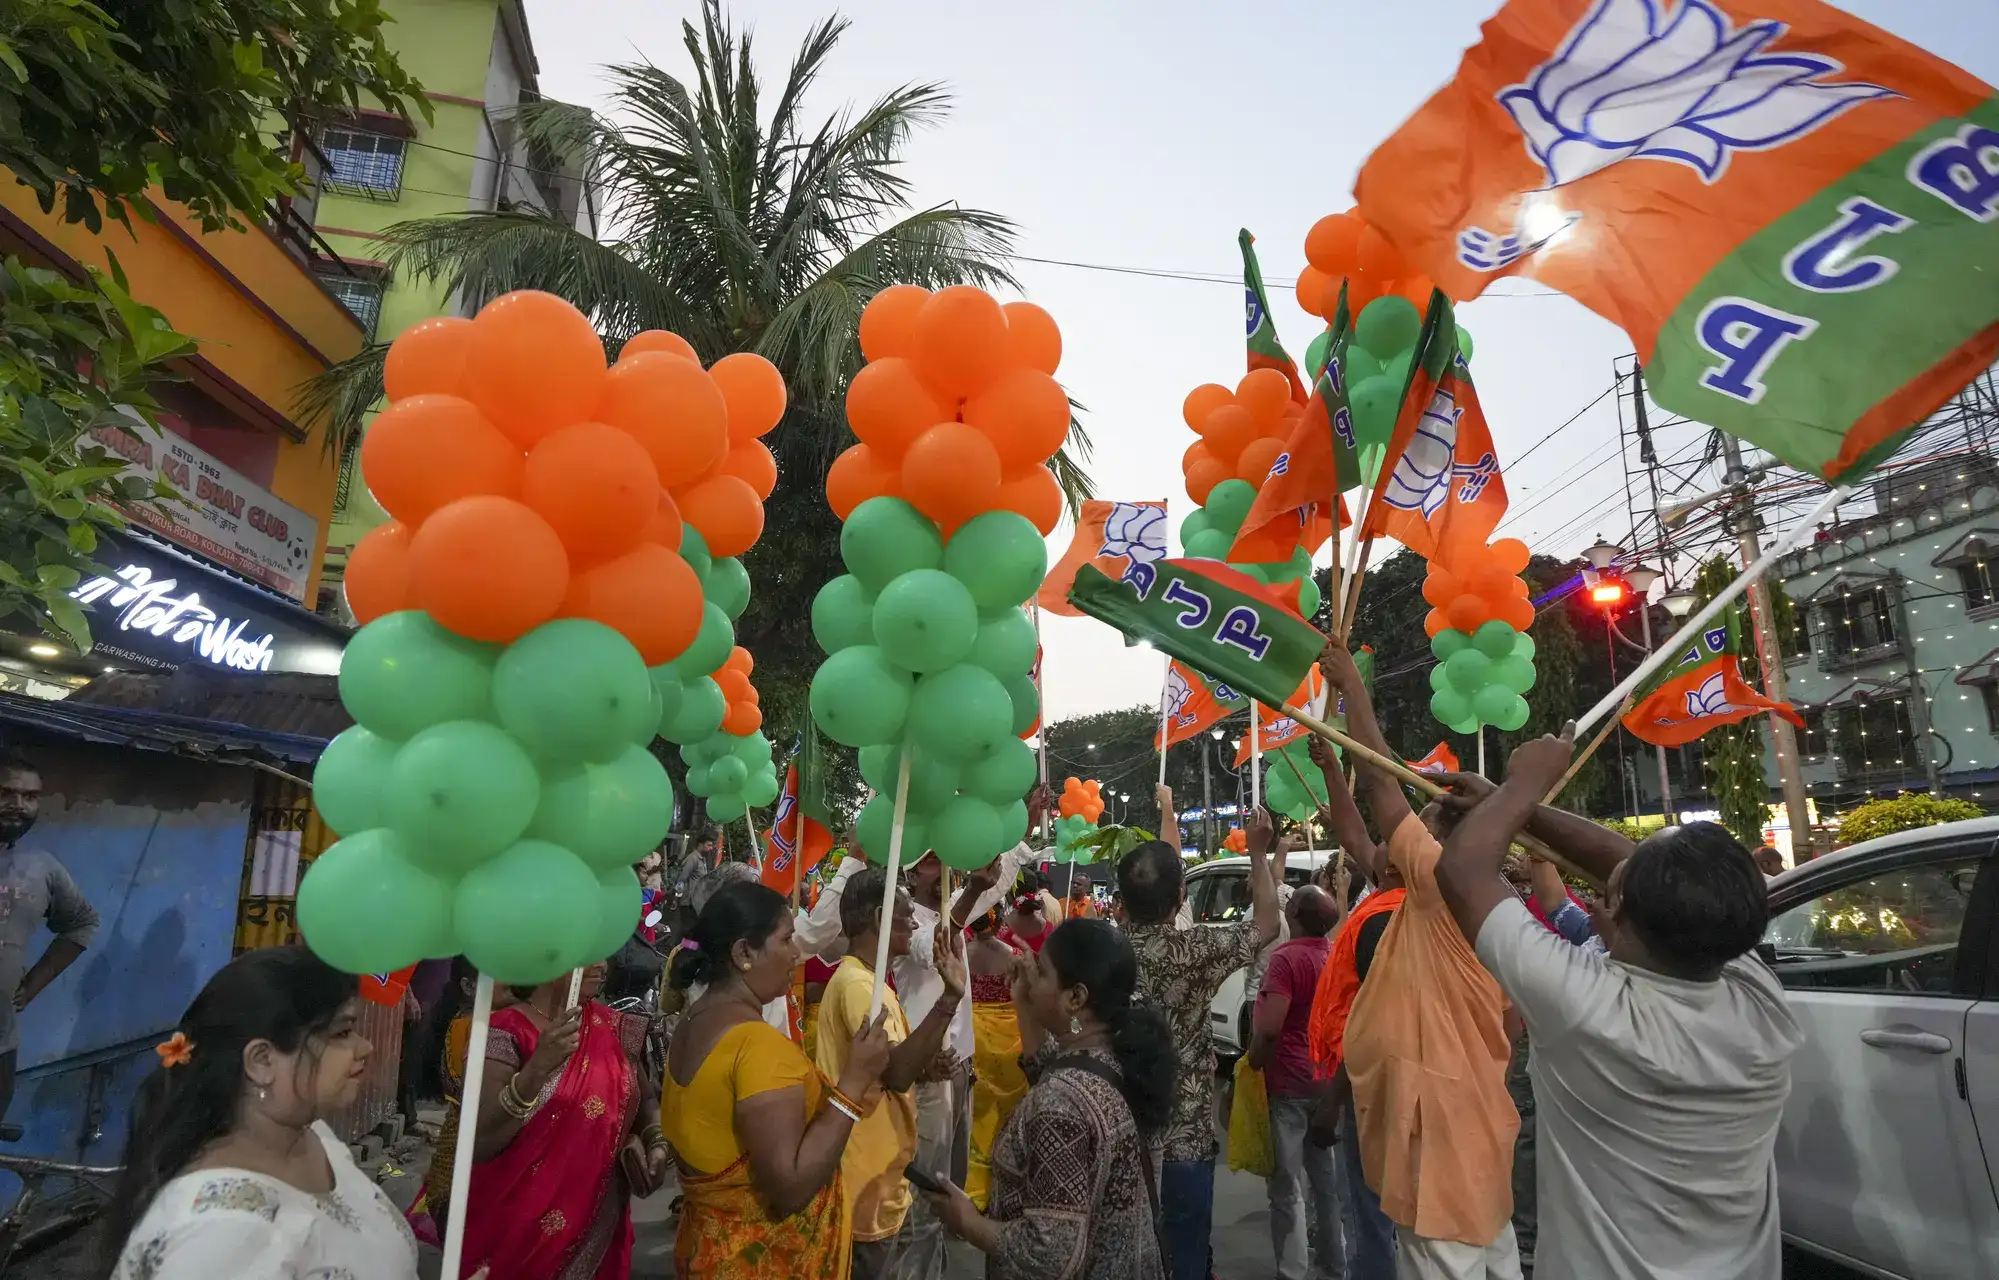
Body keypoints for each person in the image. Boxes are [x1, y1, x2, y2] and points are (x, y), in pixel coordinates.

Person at [1433, 743, 1803, 1280]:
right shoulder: (1756, 993)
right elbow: (1635, 868)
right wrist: (1514, 804)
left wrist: (1523, 787)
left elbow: (1463, 869)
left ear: (1619, 910)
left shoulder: (1591, 1008)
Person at [1322, 644, 1522, 1280]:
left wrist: (1353, 686)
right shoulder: (1498, 906)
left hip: (1438, 1136)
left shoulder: (1440, 884)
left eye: (1428, 818)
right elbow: (1511, 1028)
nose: (1413, 827)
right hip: (1478, 1122)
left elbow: (1381, 783)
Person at [103, 949, 420, 1278]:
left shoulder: (314, 1137)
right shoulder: (219, 1235)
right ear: (262, 1061)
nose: (365, 1047)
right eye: (342, 1032)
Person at [661, 880, 891, 1277]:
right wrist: (853, 1083)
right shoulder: (756, 1046)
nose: (796, 954)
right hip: (759, 1260)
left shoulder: (692, 1023)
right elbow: (791, 1187)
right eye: (786, 941)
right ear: (744, 952)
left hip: (706, 1250)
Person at [923, 918, 1171, 1278]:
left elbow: (1047, 1254)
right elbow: (1056, 1058)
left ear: (1076, 997)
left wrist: (966, 1220)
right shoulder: (1115, 1054)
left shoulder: (1062, 1103)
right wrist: (1024, 1002)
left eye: (1041, 970)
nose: (1031, 975)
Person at [1117, 808, 1279, 1280]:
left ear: (1122, 900)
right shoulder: (1194, 951)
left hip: (1120, 1127)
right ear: (1181, 898)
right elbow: (1267, 923)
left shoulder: (1101, 950)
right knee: (1186, 1248)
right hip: (1185, 1126)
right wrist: (1257, 852)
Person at [458, 961, 668, 1280]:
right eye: (586, 953)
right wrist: (536, 1071)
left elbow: (647, 1099)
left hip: (599, 1225)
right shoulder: (503, 1031)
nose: (601, 964)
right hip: (517, 1234)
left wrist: (656, 1140)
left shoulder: (614, 1027)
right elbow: (479, 1140)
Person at [814, 865, 968, 1280]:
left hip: (878, 1170)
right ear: (879, 918)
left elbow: (887, 1066)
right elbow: (896, 1073)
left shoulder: (869, 982)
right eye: (905, 914)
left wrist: (926, 1067)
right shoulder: (858, 986)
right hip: (862, 1173)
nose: (914, 921)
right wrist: (949, 1000)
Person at [1305, 735, 1403, 1280]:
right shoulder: (1391, 895)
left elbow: (1371, 1023)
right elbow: (1356, 836)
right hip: (1384, 1084)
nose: (1385, 840)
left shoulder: (1389, 921)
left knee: (1372, 1217)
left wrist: (1332, 1102)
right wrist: (1335, 775)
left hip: (1375, 1088)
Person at [1249, 884, 1346, 1280]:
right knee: (1325, 1181)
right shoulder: (1335, 954)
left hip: (1288, 1083)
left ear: (1295, 916)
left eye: (1290, 903)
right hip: (1325, 1083)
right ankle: (1334, 1263)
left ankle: (1292, 1270)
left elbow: (1269, 1029)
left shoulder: (1286, 960)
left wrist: (1252, 1064)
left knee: (1287, 1187)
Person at [0, 749, 98, 1122]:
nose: (19, 805)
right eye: (6, 793)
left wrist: (33, 984)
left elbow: (81, 923)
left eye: (29, 797)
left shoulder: (40, 869)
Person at [965, 907, 1027, 1210]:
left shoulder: (961, 952)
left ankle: (973, 1191)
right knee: (1005, 1117)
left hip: (972, 1035)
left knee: (976, 1119)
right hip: (1008, 1038)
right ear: (999, 921)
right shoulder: (1014, 955)